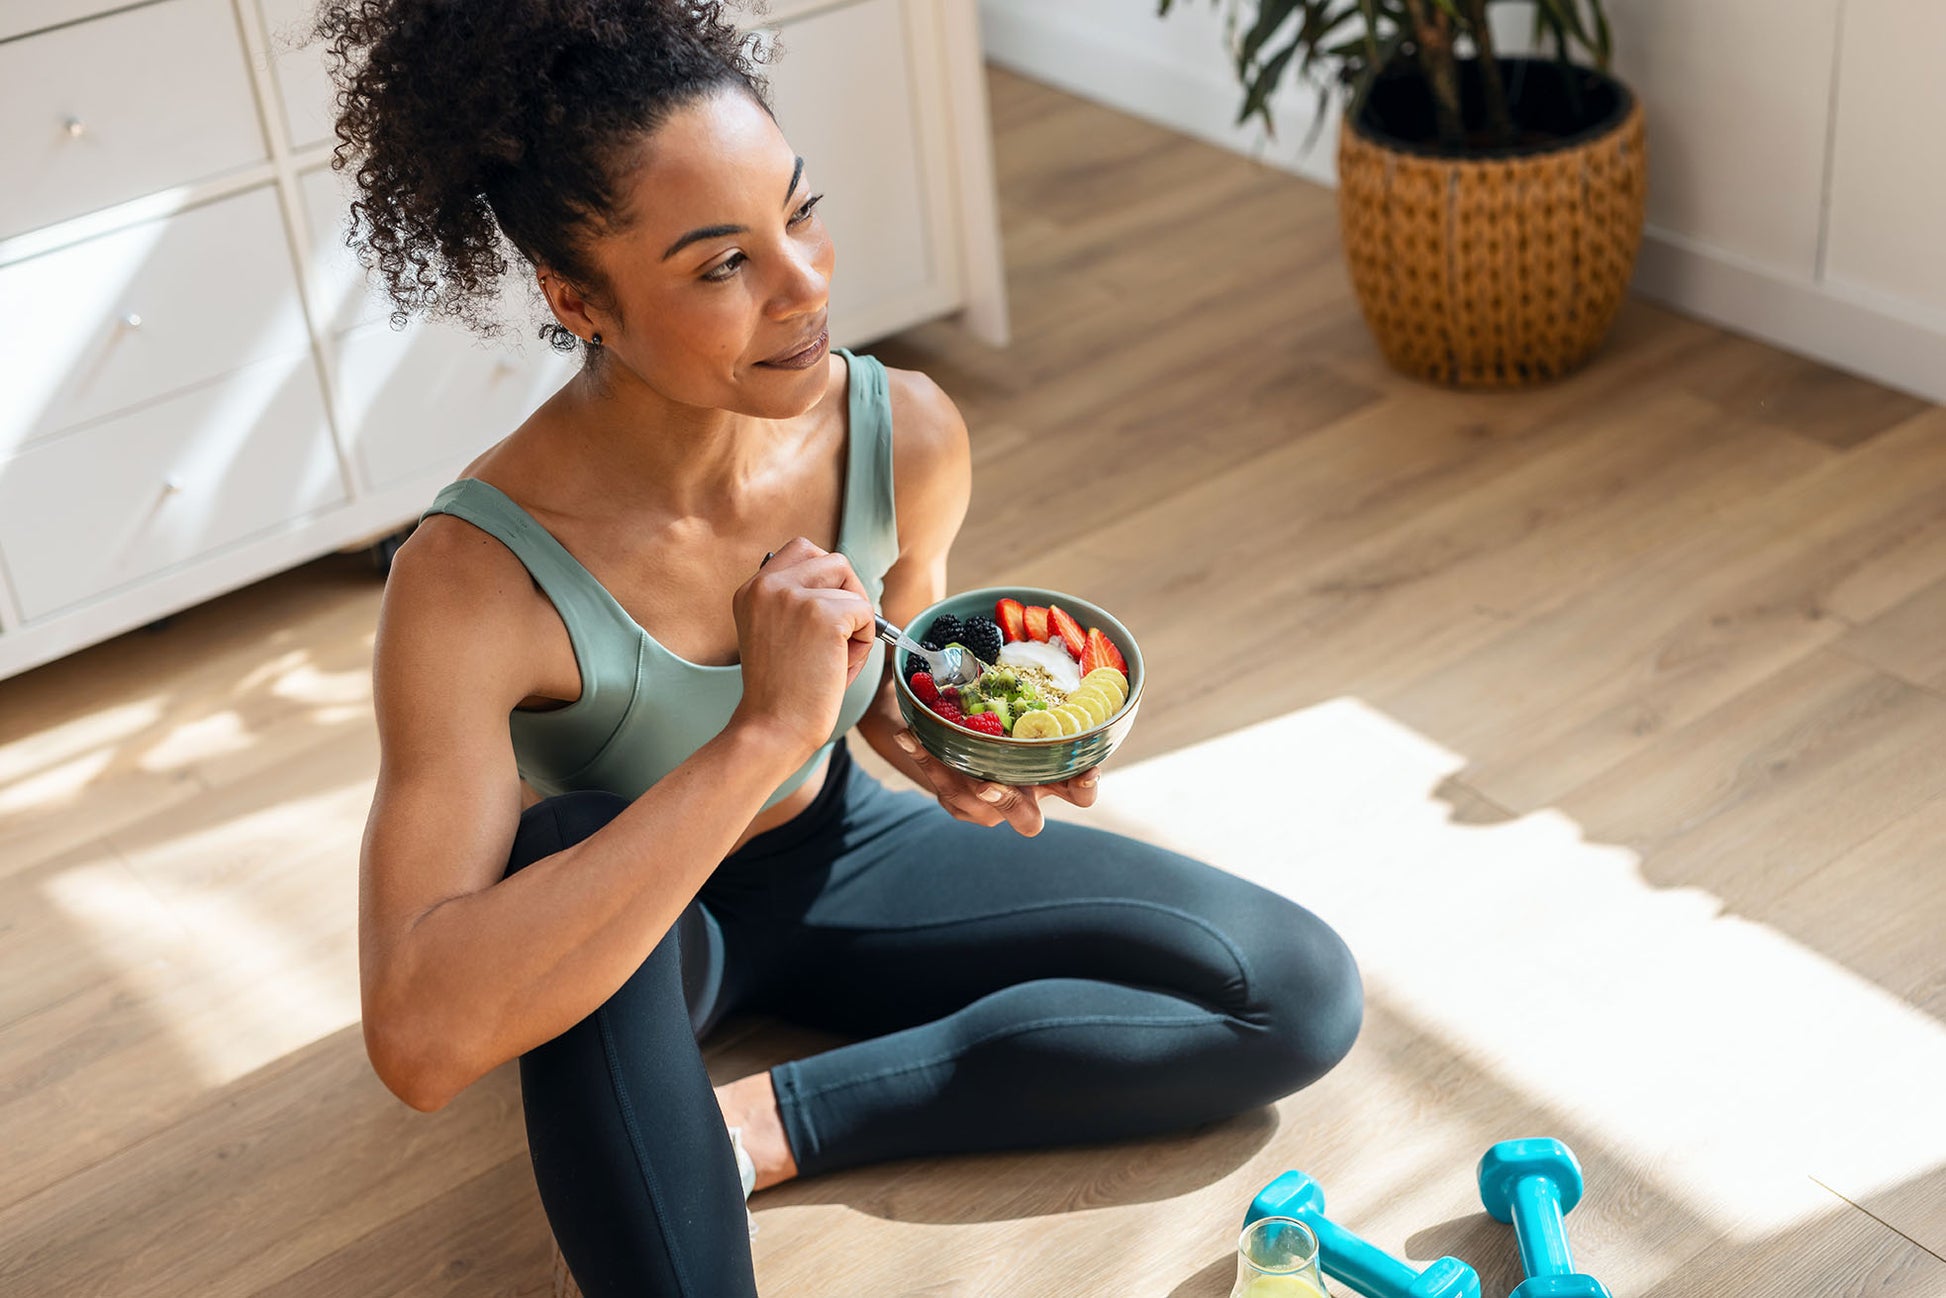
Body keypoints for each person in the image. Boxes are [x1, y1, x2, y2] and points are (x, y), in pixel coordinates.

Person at [324, 2, 1363, 1294]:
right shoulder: (474, 579)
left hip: (834, 855)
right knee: (563, 835)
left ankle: (761, 1125)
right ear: (576, 299)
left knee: (1294, 991)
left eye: (798, 213)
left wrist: (948, 748)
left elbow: (883, 679)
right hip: (627, 917)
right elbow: (422, 1039)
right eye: (719, 265)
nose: (804, 282)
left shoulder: (903, 431)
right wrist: (761, 726)